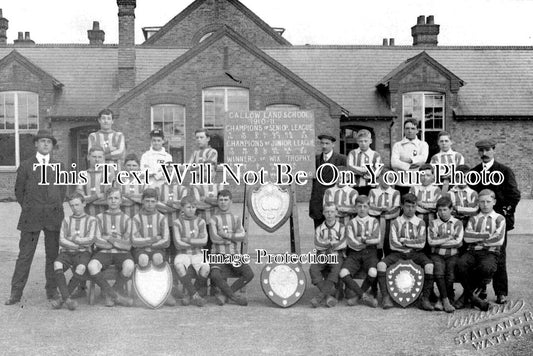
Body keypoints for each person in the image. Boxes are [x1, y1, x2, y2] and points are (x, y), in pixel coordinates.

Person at [6, 129, 67, 305]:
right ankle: (16, 293)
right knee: (25, 255)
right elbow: (19, 191)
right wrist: (30, 207)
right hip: (31, 217)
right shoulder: (26, 166)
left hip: (53, 217)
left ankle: (52, 291)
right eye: (42, 141)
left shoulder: (59, 166)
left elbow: (61, 191)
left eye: (49, 141)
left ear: (52, 146)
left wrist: (52, 206)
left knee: (52, 255)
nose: (46, 144)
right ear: (36, 144)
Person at [470, 139, 521, 304]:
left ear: (493, 150)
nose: (484, 154)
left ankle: (501, 292)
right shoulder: (475, 172)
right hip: (479, 221)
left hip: (498, 220)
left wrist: (503, 214)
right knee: (478, 253)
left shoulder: (505, 171)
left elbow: (514, 195)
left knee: (499, 254)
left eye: (487, 150)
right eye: (481, 151)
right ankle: (481, 290)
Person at [377, 193, 434, 311]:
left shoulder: (420, 223)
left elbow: (421, 244)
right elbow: (393, 244)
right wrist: (412, 243)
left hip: (415, 253)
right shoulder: (396, 222)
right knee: (381, 265)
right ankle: (386, 297)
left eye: (413, 206)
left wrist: (405, 242)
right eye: (408, 206)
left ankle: (425, 299)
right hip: (398, 253)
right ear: (402, 206)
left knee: (429, 266)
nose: (411, 209)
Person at [455, 189, 505, 311]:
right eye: (482, 202)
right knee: (460, 264)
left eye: (488, 201)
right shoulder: (474, 219)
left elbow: (498, 240)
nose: (485, 204)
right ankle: (473, 296)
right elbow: (467, 237)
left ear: (494, 202)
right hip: (472, 251)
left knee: (486, 267)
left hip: (490, 252)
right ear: (478, 203)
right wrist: (486, 236)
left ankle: (465, 296)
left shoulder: (499, 219)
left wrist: (477, 238)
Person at [87, 188, 134, 307]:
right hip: (103, 252)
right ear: (106, 200)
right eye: (110, 198)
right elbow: (97, 241)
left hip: (122, 253)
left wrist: (108, 238)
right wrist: (117, 241)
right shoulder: (98, 218)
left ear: (121, 201)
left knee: (129, 266)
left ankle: (109, 293)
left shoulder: (127, 219)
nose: (113, 201)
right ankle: (115, 295)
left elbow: (127, 245)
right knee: (92, 266)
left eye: (116, 198)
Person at [50, 193, 97, 310]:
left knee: (81, 268)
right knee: (57, 264)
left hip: (84, 253)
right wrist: (78, 245)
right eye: (72, 206)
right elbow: (61, 240)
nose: (74, 208)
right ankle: (67, 299)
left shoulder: (91, 220)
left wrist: (74, 240)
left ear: (84, 204)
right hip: (67, 252)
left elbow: (90, 240)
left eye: (77, 205)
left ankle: (62, 299)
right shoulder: (66, 220)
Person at [209, 190, 253, 306]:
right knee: (214, 275)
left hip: (233, 254)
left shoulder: (236, 218)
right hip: (217, 254)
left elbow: (242, 236)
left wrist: (225, 235)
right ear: (217, 202)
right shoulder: (214, 219)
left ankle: (224, 295)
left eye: (225, 200)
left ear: (231, 201)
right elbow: (214, 239)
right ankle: (234, 297)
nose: (223, 202)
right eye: (221, 200)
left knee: (249, 274)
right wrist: (232, 238)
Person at [340, 196, 380, 308]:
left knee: (373, 272)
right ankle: (364, 296)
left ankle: (357, 297)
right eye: (359, 206)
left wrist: (363, 240)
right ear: (355, 208)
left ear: (369, 208)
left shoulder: (374, 221)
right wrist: (368, 241)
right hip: (354, 253)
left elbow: (377, 239)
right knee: (343, 272)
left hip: (370, 253)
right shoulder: (351, 223)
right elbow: (351, 242)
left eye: (365, 206)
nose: (362, 209)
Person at [427, 196, 464, 313]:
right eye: (439, 210)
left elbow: (458, 242)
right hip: (437, 255)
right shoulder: (433, 223)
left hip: (453, 255)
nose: (442, 213)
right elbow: (431, 242)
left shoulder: (457, 223)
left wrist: (439, 241)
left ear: (451, 209)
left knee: (450, 275)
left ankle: (444, 299)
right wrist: (448, 237)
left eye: (445, 210)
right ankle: (445, 300)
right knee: (439, 272)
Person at [173, 196, 209, 307]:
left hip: (198, 253)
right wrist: (195, 241)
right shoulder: (177, 223)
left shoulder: (201, 221)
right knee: (179, 266)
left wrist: (187, 239)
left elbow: (204, 241)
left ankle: (189, 295)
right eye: (188, 207)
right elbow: (178, 244)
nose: (191, 209)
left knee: (206, 268)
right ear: (182, 208)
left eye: (193, 207)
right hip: (183, 253)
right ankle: (195, 295)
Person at [309, 203, 346, 308]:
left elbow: (343, 243)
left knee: (335, 269)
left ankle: (320, 297)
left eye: (332, 211)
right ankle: (328, 295)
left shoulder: (342, 228)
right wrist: (331, 243)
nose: (329, 214)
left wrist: (327, 244)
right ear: (323, 213)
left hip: (336, 255)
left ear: (336, 213)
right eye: (327, 211)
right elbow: (317, 244)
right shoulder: (320, 228)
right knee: (313, 269)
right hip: (322, 255)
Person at [309, 133, 346, 228]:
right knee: (319, 231)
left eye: (327, 143)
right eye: (322, 143)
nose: (324, 146)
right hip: (317, 202)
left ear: (333, 144)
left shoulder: (342, 159)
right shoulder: (315, 160)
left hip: (333, 201)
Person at [368, 167, 401, 258]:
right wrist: (384, 210)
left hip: (390, 222)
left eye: (390, 179)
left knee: (388, 243)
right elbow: (370, 208)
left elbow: (395, 210)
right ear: (380, 177)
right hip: (375, 222)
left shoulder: (395, 193)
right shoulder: (373, 192)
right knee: (375, 243)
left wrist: (379, 211)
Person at [391, 119, 429, 196]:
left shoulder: (423, 145)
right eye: (407, 128)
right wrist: (410, 166)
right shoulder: (397, 145)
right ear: (404, 130)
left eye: (413, 128)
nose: (410, 131)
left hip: (416, 182)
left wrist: (408, 160)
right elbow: (394, 163)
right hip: (401, 183)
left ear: (417, 130)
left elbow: (423, 159)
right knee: (402, 206)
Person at [76, 145, 113, 217]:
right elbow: (80, 199)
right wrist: (98, 196)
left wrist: (89, 199)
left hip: (106, 217)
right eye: (94, 157)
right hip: (87, 216)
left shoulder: (109, 176)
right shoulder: (82, 175)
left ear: (103, 158)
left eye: (99, 157)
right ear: (88, 157)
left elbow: (109, 199)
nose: (97, 160)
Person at [346, 129, 382, 196]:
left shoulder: (376, 155)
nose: (363, 143)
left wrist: (357, 171)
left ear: (370, 141)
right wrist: (367, 170)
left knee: (368, 205)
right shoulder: (352, 153)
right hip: (354, 186)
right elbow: (349, 167)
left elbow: (377, 173)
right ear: (357, 142)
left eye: (366, 141)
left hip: (370, 187)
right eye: (361, 141)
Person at [409, 163, 442, 233]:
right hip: (417, 218)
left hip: (432, 218)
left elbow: (438, 206)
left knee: (432, 235)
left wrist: (420, 204)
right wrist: (430, 207)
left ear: (433, 176)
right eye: (422, 175)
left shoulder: (436, 190)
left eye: (428, 175)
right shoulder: (414, 189)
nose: (425, 177)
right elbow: (411, 206)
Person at [118, 153, 145, 218]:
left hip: (140, 216)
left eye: (134, 165)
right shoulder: (118, 180)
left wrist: (127, 195)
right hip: (122, 216)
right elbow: (117, 199)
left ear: (139, 166)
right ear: (124, 166)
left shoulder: (144, 181)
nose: (131, 168)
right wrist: (136, 198)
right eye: (128, 165)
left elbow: (145, 199)